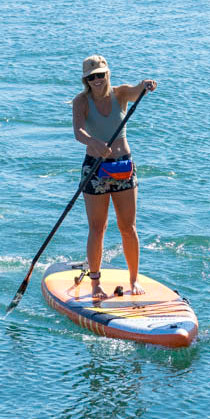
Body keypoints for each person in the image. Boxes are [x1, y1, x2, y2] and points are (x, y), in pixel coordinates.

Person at [71, 55, 157, 300]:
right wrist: (93, 142)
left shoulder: (120, 94)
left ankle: (134, 279)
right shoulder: (81, 101)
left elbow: (136, 90)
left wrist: (146, 85)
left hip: (123, 167)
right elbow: (78, 131)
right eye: (91, 77)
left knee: (128, 227)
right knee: (98, 228)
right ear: (86, 80)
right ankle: (95, 284)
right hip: (95, 169)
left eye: (100, 75)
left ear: (107, 74)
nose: (97, 80)